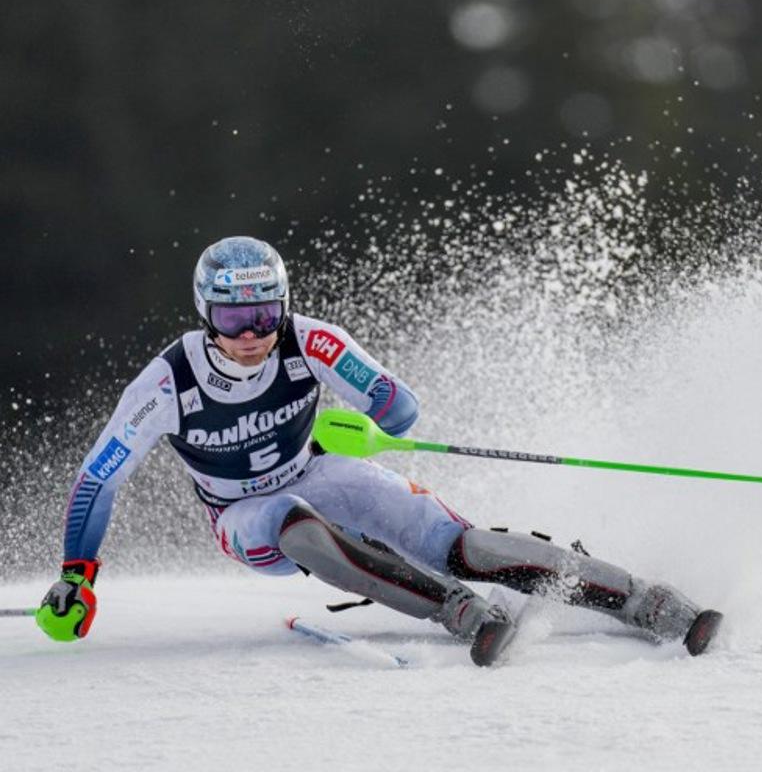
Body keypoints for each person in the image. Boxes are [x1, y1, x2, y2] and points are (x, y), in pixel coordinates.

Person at [37, 235, 722, 665]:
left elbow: (401, 410)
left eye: (264, 314)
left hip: (316, 469)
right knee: (298, 528)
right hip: (240, 513)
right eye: (232, 318)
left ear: (282, 305)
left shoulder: (310, 341)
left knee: (465, 546)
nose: (251, 334)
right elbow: (99, 481)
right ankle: (454, 610)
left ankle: (649, 602)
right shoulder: (167, 380)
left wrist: (376, 413)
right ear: (204, 314)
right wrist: (78, 574)